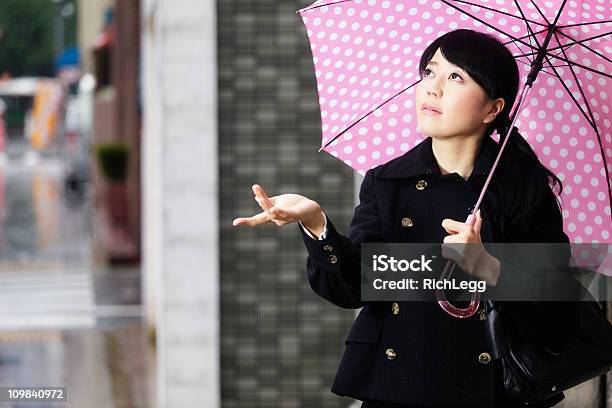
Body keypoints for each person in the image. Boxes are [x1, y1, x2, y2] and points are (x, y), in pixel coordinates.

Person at [233, 29, 575, 407]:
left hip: (490, 391)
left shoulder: (522, 189)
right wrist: (317, 226)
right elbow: (355, 288)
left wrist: (490, 268)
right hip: (398, 386)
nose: (433, 88)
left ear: (493, 109)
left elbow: (558, 311)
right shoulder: (387, 182)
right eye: (429, 72)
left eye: (456, 77)